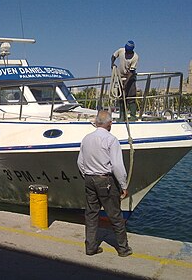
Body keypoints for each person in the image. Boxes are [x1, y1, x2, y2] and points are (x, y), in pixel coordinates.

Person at [77, 110, 133, 257]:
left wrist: (87, 175)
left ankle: (90, 247)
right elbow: (117, 166)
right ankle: (123, 248)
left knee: (91, 214)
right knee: (115, 215)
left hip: (89, 179)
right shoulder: (111, 140)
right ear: (109, 123)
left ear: (96, 122)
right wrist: (123, 185)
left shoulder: (86, 139)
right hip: (105, 180)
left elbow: (80, 162)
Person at [111, 40, 139, 121]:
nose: (126, 53)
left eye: (128, 51)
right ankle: (122, 116)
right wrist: (112, 63)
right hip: (120, 77)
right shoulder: (121, 51)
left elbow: (131, 72)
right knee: (121, 98)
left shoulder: (135, 57)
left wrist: (125, 84)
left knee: (131, 98)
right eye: (126, 50)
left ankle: (133, 116)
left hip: (130, 79)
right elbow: (113, 56)